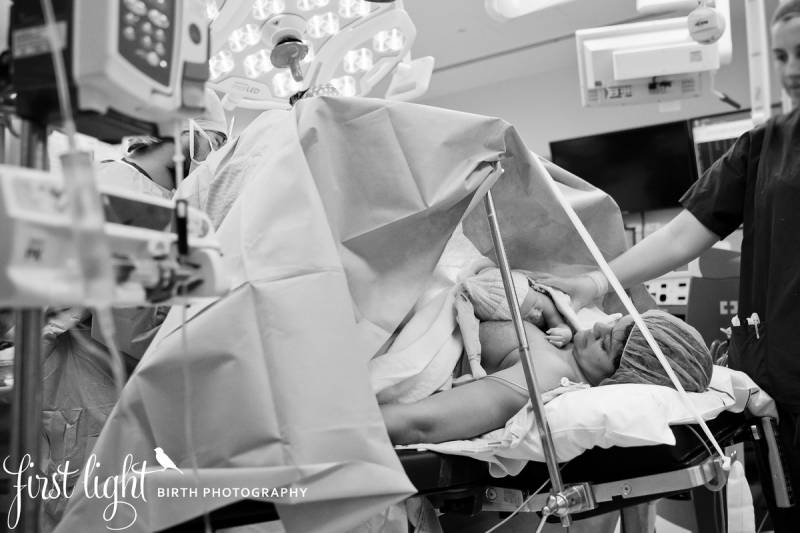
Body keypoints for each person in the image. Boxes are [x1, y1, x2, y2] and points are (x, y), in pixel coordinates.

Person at [538, 3, 800, 530]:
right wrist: (594, 282)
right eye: (780, 56)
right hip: (781, 376)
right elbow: (684, 233)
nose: (790, 69)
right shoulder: (765, 146)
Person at [382, 309, 713, 445]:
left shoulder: (544, 376)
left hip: (393, 351)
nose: (599, 325)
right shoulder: (567, 344)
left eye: (605, 342)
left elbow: (421, 424)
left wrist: (352, 427)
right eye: (614, 322)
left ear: (621, 379)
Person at [98, 87, 228, 199]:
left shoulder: (164, 197)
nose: (215, 158)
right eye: (215, 143)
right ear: (183, 128)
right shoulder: (113, 182)